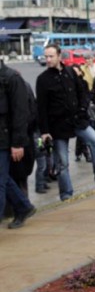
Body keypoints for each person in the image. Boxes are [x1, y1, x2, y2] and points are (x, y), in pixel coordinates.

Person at [36, 44, 95, 201]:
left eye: (51, 56)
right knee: (62, 162)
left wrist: (83, 109)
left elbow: (83, 92)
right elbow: (41, 108)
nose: (48, 59)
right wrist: (45, 131)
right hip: (57, 125)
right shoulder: (42, 80)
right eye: (46, 56)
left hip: (78, 120)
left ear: (59, 56)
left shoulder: (70, 72)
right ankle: (66, 194)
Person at [0, 60, 37, 229]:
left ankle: (22, 207)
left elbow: (21, 114)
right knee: (3, 179)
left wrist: (17, 143)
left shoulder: (12, 78)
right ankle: (23, 206)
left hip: (5, 141)